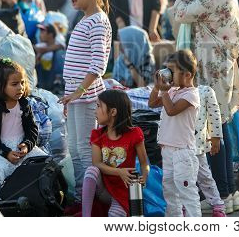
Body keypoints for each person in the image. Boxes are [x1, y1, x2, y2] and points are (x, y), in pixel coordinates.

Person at [169, 0, 239, 214]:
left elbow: (179, 13)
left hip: (212, 66)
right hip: (217, 65)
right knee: (219, 127)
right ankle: (229, 192)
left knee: (213, 131)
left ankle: (222, 192)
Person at [59, 0, 112, 210]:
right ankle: (84, 198)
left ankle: (88, 201)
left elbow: (98, 64)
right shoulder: (85, 19)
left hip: (87, 96)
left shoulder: (98, 21)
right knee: (75, 150)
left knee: (83, 149)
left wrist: (79, 91)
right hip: (77, 97)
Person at [0, 58, 46, 198]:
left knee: (43, 162)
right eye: (14, 84)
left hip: (21, 147)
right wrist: (6, 153)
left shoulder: (24, 104)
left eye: (22, 83)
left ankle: (34, 197)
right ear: (1, 86)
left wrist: (27, 145)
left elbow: (32, 129)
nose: (20, 88)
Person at [148, 50, 201, 217]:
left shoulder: (191, 94)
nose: (168, 75)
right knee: (169, 192)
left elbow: (171, 110)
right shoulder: (172, 90)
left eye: (172, 71)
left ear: (186, 75)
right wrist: (158, 87)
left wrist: (164, 91)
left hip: (182, 152)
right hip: (168, 150)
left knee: (187, 192)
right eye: (167, 69)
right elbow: (152, 103)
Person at [82, 89, 149, 217]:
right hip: (104, 189)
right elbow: (96, 163)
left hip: (125, 191)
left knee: (115, 216)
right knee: (91, 170)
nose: (95, 110)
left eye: (98, 106)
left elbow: (144, 163)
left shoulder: (135, 133)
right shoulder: (97, 134)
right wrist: (119, 172)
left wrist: (144, 177)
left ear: (113, 112)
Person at [195, 84, 226, 217]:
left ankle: (217, 205)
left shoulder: (205, 91)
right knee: (180, 178)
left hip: (197, 145)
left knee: (205, 176)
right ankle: (184, 207)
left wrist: (216, 138)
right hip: (177, 144)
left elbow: (215, 115)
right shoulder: (171, 92)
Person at [35, 23, 65, 92]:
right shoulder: (40, 45)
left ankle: (58, 82)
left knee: (60, 53)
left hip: (53, 76)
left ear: (50, 34)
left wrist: (43, 51)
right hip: (44, 78)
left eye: (43, 32)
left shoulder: (59, 44)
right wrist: (39, 55)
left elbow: (61, 46)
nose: (40, 34)